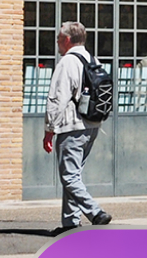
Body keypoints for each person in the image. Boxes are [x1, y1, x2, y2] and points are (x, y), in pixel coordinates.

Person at [43, 21, 113, 233]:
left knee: (69, 176)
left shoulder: (67, 62)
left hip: (71, 126)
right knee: (74, 175)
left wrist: (49, 129)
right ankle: (71, 224)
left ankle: (95, 212)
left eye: (58, 38)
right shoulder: (92, 59)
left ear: (66, 39)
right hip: (91, 125)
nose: (56, 42)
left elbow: (57, 98)